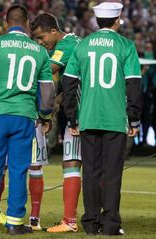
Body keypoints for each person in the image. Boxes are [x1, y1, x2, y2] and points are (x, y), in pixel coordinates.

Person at [0, 4, 54, 235]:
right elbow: (47, 92)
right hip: (24, 118)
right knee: (18, 170)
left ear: (6, 23)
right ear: (27, 24)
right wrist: (45, 116)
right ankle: (15, 222)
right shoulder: (39, 51)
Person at [62, 2, 142, 236]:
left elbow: (68, 84)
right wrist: (134, 118)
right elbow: (134, 84)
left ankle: (90, 223)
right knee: (112, 173)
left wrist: (72, 118)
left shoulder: (83, 45)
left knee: (91, 173)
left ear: (98, 21)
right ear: (117, 20)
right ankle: (110, 225)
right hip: (115, 119)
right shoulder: (125, 45)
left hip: (88, 118)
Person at [31, 13, 82, 232]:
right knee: (83, 163)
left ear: (54, 31)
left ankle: (70, 221)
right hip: (82, 109)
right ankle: (91, 219)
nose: (41, 43)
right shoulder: (75, 43)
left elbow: (46, 70)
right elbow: (64, 84)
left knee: (72, 161)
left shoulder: (67, 45)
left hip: (81, 112)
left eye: (42, 38)